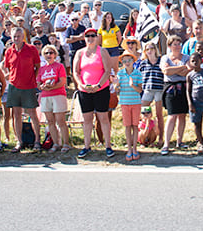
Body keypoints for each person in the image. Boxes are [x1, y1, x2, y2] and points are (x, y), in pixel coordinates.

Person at [73, 27, 114, 158]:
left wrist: (99, 85)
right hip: (84, 90)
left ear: (97, 37)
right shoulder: (79, 53)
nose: (90, 38)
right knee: (87, 119)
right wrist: (81, 84)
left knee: (103, 118)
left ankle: (108, 145)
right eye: (88, 36)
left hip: (101, 89)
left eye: (93, 36)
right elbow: (75, 72)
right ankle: (86, 146)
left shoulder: (102, 51)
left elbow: (108, 70)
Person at [2, 27, 42, 152]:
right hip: (14, 86)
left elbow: (37, 66)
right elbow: (8, 67)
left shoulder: (31, 49)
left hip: (29, 86)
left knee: (32, 114)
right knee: (16, 115)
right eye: (14, 36)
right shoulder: (9, 51)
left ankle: (37, 140)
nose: (16, 39)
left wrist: (32, 79)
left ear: (23, 36)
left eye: (19, 36)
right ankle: (19, 141)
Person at [160, 35, 190, 155]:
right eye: (174, 44)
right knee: (172, 115)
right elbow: (166, 71)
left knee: (182, 115)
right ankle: (166, 143)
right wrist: (181, 68)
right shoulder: (165, 58)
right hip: (170, 89)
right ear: (169, 46)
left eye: (179, 44)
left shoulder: (186, 57)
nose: (177, 46)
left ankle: (180, 141)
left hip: (184, 87)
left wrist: (174, 69)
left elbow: (188, 70)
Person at [37, 44, 69, 153]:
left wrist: (52, 87)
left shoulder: (59, 66)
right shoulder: (42, 69)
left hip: (58, 95)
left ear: (55, 54)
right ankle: (55, 143)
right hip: (45, 97)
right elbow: (38, 83)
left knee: (61, 121)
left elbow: (62, 82)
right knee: (50, 121)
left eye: (51, 53)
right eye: (46, 53)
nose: (49, 55)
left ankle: (66, 144)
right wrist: (42, 87)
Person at [115, 53, 143, 161]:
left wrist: (132, 85)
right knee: (127, 126)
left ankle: (135, 148)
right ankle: (129, 149)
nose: (127, 63)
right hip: (124, 103)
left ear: (133, 61)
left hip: (135, 102)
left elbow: (140, 90)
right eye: (125, 61)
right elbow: (117, 89)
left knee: (135, 126)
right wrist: (116, 85)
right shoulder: (120, 74)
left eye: (129, 60)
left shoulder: (138, 73)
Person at [137, 42, 165, 148]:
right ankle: (142, 137)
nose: (150, 51)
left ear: (155, 49)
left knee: (159, 114)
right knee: (142, 113)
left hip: (159, 89)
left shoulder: (161, 60)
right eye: (147, 49)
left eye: (152, 48)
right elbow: (139, 76)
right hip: (147, 90)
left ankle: (161, 138)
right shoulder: (143, 63)